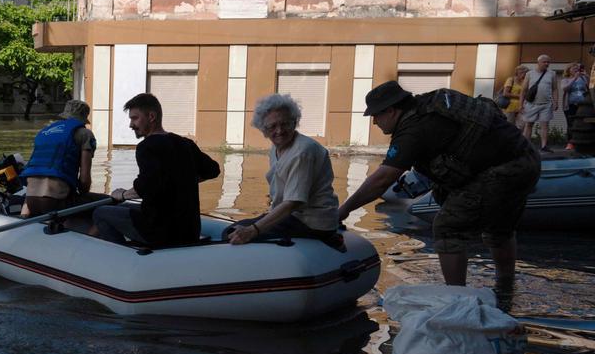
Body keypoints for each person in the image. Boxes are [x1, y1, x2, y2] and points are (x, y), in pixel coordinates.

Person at [337, 81, 540, 290]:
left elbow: (382, 179)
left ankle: (456, 297)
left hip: (504, 170)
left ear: (390, 111)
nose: (374, 123)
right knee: (500, 228)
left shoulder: (413, 129)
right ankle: (505, 287)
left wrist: (344, 210)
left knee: (447, 228)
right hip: (526, 159)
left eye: (376, 116)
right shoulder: (429, 105)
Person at [92, 92, 220, 246]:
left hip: (160, 231)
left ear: (151, 117)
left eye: (135, 118)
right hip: (190, 230)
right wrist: (182, 180)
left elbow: (145, 187)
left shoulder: (147, 147)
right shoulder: (186, 143)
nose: (131, 125)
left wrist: (123, 194)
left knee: (100, 212)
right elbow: (213, 170)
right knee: (124, 207)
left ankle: (121, 256)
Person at [225, 94, 341, 246]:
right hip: (293, 217)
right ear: (264, 130)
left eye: (285, 124)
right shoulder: (276, 148)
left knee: (232, 235)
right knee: (231, 231)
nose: (279, 131)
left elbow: (293, 202)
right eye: (272, 126)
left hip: (313, 223)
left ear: (294, 123)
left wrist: (253, 230)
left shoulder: (303, 152)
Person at [20, 99, 97, 217]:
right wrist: (82, 196)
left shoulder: (44, 132)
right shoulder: (85, 134)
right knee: (107, 204)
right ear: (84, 118)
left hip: (31, 202)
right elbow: (84, 180)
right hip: (56, 204)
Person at [520, 54, 559, 152]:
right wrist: (520, 104)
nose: (547, 64)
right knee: (528, 124)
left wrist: (555, 101)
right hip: (531, 104)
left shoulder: (552, 74)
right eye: (544, 62)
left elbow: (554, 89)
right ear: (538, 63)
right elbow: (524, 90)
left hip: (546, 104)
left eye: (548, 62)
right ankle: (525, 146)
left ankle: (544, 146)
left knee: (544, 125)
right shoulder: (530, 74)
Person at [562, 62, 590, 150]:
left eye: (577, 68)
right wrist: (574, 78)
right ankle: (570, 143)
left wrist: (587, 76)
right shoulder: (565, 79)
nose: (576, 69)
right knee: (571, 124)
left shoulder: (583, 78)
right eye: (574, 68)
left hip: (582, 106)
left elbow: (590, 87)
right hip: (570, 105)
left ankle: (583, 142)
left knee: (583, 124)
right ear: (569, 70)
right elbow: (565, 88)